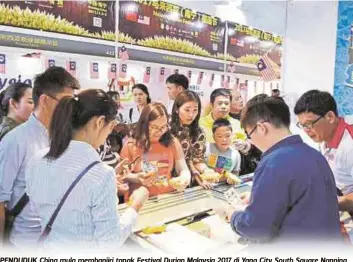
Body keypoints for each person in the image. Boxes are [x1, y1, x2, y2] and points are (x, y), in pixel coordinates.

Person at [25, 89, 149, 250]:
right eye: (110, 127)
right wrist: (136, 206)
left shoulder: (36, 160)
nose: (108, 134)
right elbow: (110, 241)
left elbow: (37, 208)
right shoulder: (101, 174)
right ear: (99, 122)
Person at [216, 94, 341, 243]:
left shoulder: (273, 163)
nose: (252, 141)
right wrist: (260, 196)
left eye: (249, 135)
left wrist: (232, 215)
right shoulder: (315, 155)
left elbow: (257, 228)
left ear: (261, 128)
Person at [0, 67, 80, 247]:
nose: (71, 108)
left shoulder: (62, 137)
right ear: (45, 100)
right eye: (66, 102)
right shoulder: (15, 140)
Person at [294, 90, 353, 240]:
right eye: (302, 126)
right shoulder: (325, 137)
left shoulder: (349, 145)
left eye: (309, 124)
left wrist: (333, 202)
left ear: (330, 117)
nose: (307, 131)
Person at [121, 102, 191, 197]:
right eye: (154, 127)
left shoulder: (172, 142)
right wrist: (137, 178)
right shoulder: (131, 144)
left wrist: (184, 178)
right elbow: (122, 175)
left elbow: (183, 169)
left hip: (167, 196)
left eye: (163, 127)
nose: (159, 132)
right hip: (140, 199)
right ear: (144, 124)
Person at [170, 91, 210, 189]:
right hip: (169, 179)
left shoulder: (199, 132)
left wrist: (206, 171)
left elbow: (197, 159)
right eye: (187, 110)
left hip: (189, 182)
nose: (191, 115)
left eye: (195, 110)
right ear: (177, 109)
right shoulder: (167, 130)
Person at [199, 88, 251, 155]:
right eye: (220, 103)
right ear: (212, 105)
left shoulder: (237, 124)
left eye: (226, 103)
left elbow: (245, 146)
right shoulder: (200, 123)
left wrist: (245, 146)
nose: (223, 107)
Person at [229, 89, 262, 175]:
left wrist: (247, 144)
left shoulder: (249, 117)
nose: (241, 100)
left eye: (240, 97)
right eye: (237, 99)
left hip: (252, 161)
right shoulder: (225, 120)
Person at [204, 119, 242, 185]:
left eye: (227, 136)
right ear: (213, 137)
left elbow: (235, 174)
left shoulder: (236, 154)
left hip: (224, 187)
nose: (224, 140)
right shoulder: (206, 147)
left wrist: (231, 180)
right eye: (219, 136)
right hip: (207, 185)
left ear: (232, 135)